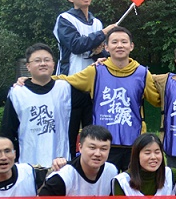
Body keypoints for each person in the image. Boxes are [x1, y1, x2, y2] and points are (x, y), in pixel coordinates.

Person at [53, 26, 162, 171]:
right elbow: (67, 80)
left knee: (131, 183)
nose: (119, 45)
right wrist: (31, 81)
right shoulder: (96, 71)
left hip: (134, 142)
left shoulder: (142, 73)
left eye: (124, 42)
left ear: (131, 46)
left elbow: (157, 99)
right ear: (106, 47)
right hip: (103, 145)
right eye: (114, 42)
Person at [0, 43, 89, 166]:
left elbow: (91, 92)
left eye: (47, 60)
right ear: (28, 66)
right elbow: (7, 131)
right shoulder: (17, 93)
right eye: (37, 61)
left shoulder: (66, 89)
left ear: (53, 64)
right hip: (27, 164)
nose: (43, 63)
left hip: (62, 163)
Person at [53, 0, 116, 75]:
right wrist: (103, 33)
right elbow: (75, 45)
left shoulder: (97, 23)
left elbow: (102, 54)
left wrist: (98, 52)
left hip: (94, 76)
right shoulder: (65, 19)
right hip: (71, 76)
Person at [39, 125, 119, 196]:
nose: (97, 154)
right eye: (92, 148)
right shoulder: (63, 176)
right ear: (80, 147)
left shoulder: (111, 171)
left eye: (103, 149)